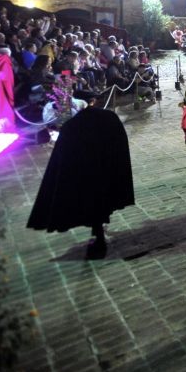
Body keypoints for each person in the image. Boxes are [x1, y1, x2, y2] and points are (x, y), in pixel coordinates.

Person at [27, 103, 134, 259]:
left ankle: (98, 236)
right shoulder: (106, 118)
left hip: (85, 173)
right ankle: (98, 233)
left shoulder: (72, 127)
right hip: (101, 169)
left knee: (92, 198)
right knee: (98, 198)